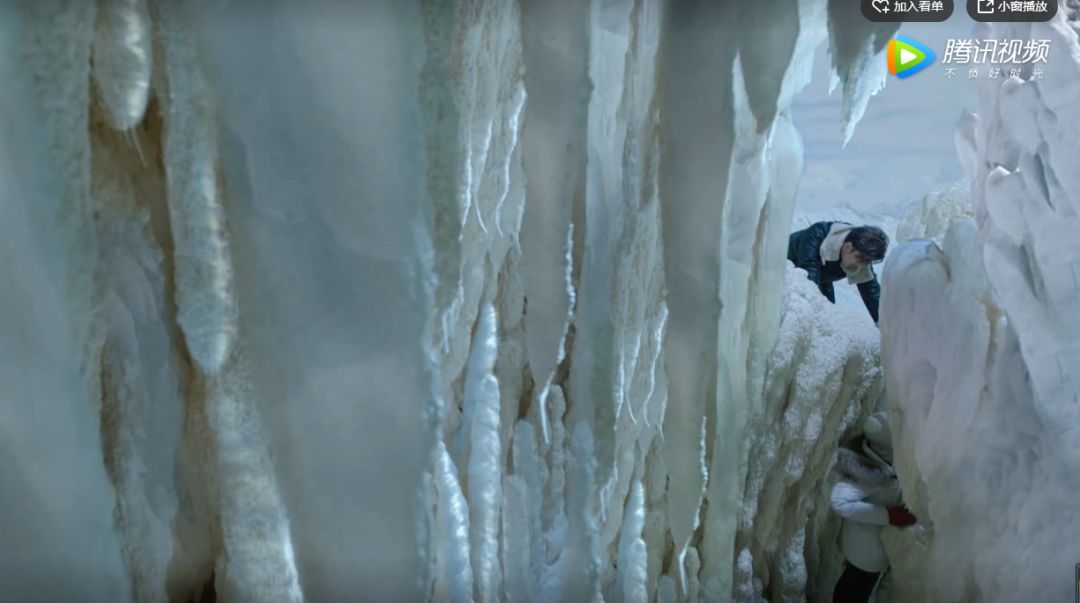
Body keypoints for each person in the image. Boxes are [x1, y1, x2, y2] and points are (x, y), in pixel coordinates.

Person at [830, 412, 916, 603]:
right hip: (867, 553)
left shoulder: (875, 455)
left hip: (860, 545)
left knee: (850, 585)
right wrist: (888, 516)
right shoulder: (873, 474)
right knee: (857, 592)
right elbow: (839, 501)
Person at [787, 222, 888, 323]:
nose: (861, 266)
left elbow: (871, 292)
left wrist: (884, 326)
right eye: (860, 260)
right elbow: (809, 284)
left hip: (823, 276)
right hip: (784, 268)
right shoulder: (816, 236)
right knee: (804, 311)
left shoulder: (862, 253)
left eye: (866, 262)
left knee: (829, 315)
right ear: (848, 247)